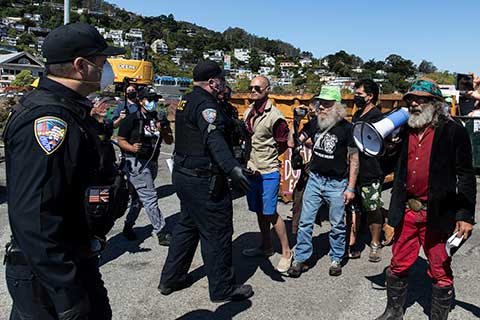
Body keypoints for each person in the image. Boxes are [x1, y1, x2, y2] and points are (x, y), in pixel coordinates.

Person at [3, 23, 126, 319]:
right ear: (80, 66)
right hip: (50, 275)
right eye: (102, 61)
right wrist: (67, 293)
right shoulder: (49, 120)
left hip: (68, 262)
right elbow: (34, 215)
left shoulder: (70, 110)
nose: (107, 68)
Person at [375, 79, 476, 320]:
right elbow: (386, 167)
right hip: (408, 211)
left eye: (421, 99)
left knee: (440, 267)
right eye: (411, 99)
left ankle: (438, 317)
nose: (414, 103)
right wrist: (388, 146)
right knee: (398, 262)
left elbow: (465, 175)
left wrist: (465, 215)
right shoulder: (404, 130)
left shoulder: (454, 131)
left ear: (436, 103)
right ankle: (393, 311)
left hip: (438, 213)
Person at [159, 60, 253, 302]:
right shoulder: (205, 105)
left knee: (187, 227)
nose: (224, 84)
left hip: (183, 176)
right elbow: (214, 139)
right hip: (204, 181)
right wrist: (232, 168)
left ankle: (171, 278)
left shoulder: (187, 99)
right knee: (218, 232)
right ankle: (222, 288)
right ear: (212, 82)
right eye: (221, 80)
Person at [287, 86, 359, 277]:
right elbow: (294, 142)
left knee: (337, 224)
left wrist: (350, 187)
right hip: (315, 180)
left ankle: (336, 257)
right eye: (321, 103)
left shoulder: (347, 129)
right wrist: (295, 123)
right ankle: (300, 258)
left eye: (327, 104)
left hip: (337, 183)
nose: (322, 107)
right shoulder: (314, 122)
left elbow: (354, 159)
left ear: (337, 106)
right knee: (305, 221)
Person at [242, 75, 293, 274]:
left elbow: (282, 143)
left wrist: (267, 158)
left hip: (268, 171)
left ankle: (286, 252)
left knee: (270, 212)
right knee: (259, 210)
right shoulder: (249, 111)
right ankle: (266, 246)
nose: (253, 90)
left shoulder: (276, 116)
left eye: (258, 88)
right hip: (251, 170)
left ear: (267, 89)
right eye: (251, 87)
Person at [117, 87, 173, 245]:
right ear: (141, 101)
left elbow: (169, 141)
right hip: (137, 163)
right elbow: (121, 139)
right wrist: (131, 147)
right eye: (149, 99)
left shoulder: (158, 118)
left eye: (155, 100)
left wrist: (165, 129)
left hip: (152, 161)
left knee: (138, 198)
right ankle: (160, 230)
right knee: (150, 197)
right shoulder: (131, 119)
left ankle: (128, 225)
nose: (153, 103)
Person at [350, 79, 388, 262]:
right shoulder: (357, 114)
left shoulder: (377, 117)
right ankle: (354, 242)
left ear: (370, 96)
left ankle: (375, 243)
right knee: (355, 208)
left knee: (372, 208)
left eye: (359, 94)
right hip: (355, 171)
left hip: (370, 171)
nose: (355, 97)